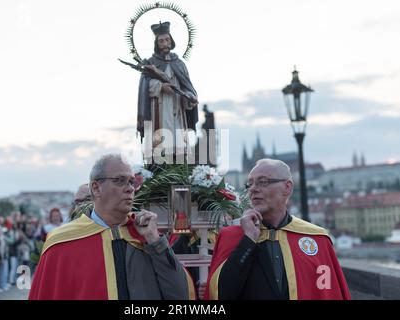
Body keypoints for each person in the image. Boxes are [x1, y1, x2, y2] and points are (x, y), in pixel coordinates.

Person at [29, 154, 195, 300]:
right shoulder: (62, 243)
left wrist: (156, 241)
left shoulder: (146, 236)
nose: (130, 188)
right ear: (96, 188)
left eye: (132, 182)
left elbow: (180, 295)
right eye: (120, 181)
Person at [205, 159, 350, 300]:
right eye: (250, 183)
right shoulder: (231, 236)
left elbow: (328, 293)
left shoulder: (317, 239)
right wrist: (248, 241)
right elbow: (220, 294)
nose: (253, 189)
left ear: (287, 187)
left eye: (263, 182)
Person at [137, 21, 198, 163]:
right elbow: (145, 87)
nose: (165, 43)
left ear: (171, 40)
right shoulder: (151, 63)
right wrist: (160, 86)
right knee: (161, 145)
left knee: (179, 144)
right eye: (161, 41)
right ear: (156, 43)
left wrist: (190, 98)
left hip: (178, 108)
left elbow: (188, 86)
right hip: (159, 108)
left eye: (167, 40)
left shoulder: (179, 64)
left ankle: (180, 170)